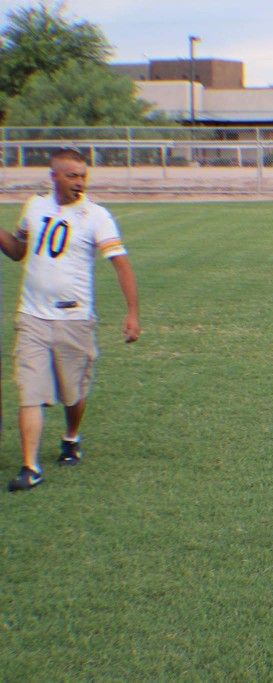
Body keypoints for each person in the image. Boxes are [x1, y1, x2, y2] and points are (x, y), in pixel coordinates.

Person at [0, 148, 140, 492]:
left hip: (74, 318)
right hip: (32, 315)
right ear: (54, 177)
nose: (79, 182)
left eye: (82, 175)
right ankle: (30, 467)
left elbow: (120, 263)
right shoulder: (34, 206)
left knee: (72, 392)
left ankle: (71, 436)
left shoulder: (96, 216)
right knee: (29, 392)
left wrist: (132, 313)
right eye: (72, 175)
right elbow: (18, 251)